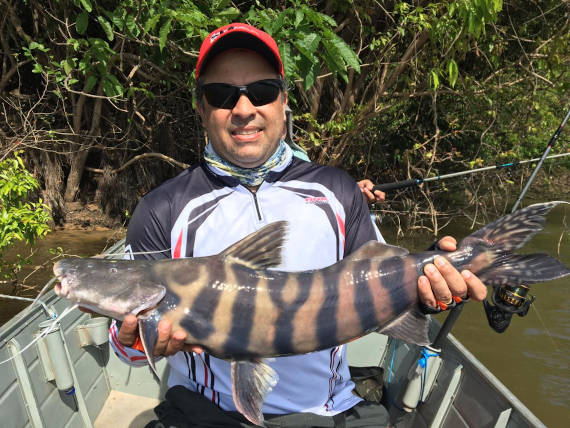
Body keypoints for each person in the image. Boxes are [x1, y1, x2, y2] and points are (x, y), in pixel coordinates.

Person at [108, 23, 487, 427]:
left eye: (262, 91)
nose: (243, 109)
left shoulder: (337, 190)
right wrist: (134, 340)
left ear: (283, 101)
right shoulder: (162, 208)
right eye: (222, 95)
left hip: (327, 411)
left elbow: (380, 282)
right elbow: (127, 346)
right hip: (205, 413)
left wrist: (430, 294)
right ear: (202, 108)